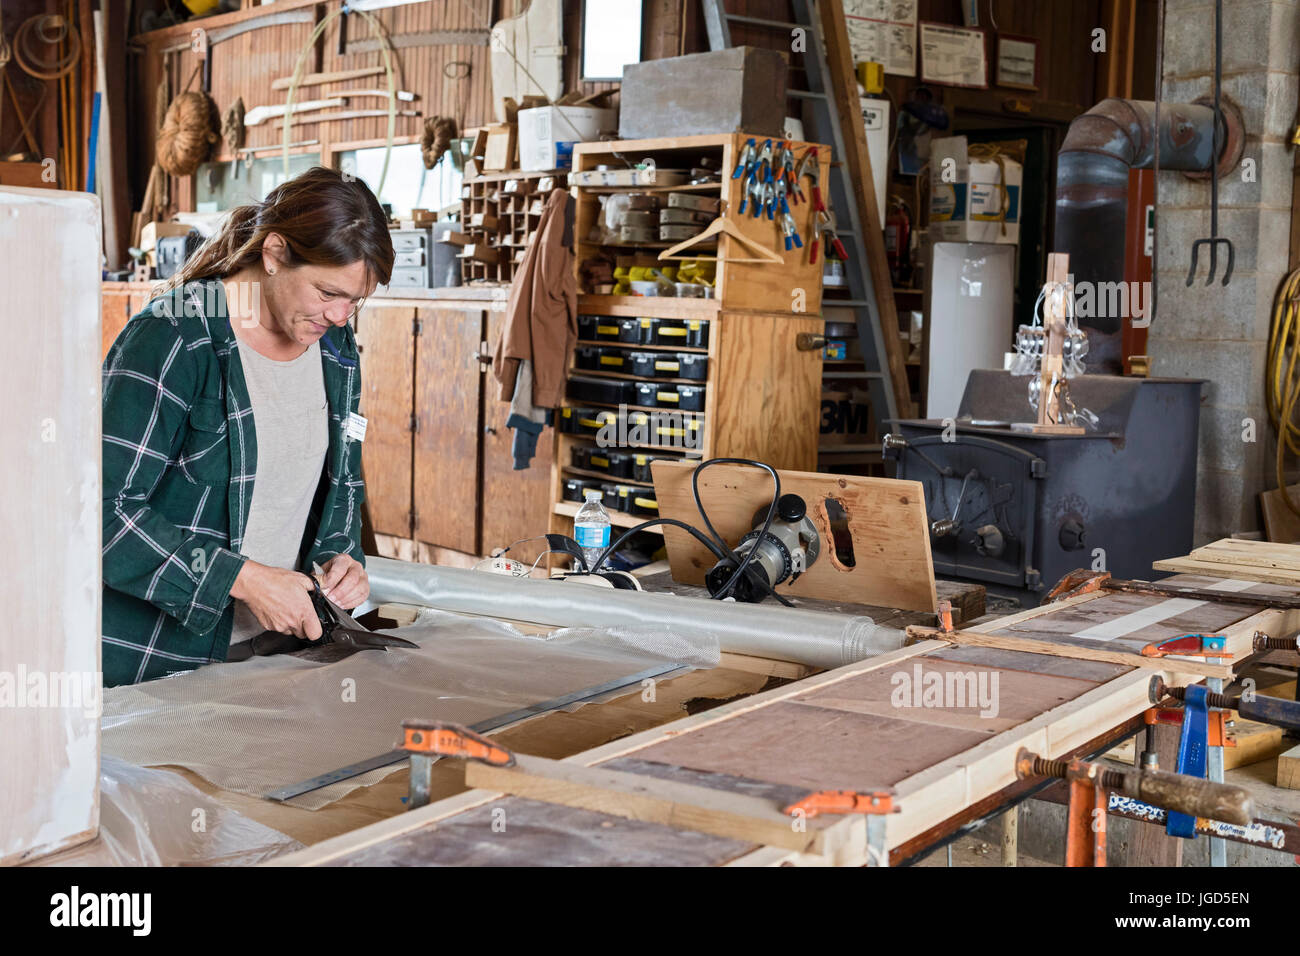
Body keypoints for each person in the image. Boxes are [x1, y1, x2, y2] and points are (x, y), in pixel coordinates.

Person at [101, 166, 394, 686]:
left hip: (284, 659)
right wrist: (241, 578)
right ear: (275, 254)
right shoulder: (174, 337)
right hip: (161, 664)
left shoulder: (334, 346)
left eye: (357, 300)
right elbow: (100, 517)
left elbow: (343, 477)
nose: (342, 316)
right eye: (328, 292)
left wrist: (341, 554)